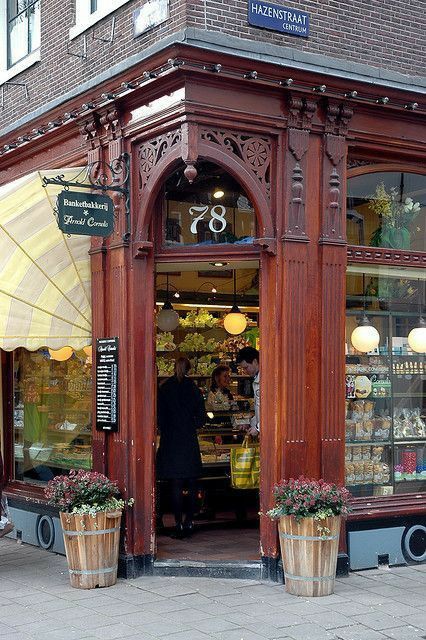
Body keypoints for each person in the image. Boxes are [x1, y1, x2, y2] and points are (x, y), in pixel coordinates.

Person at [157, 357, 206, 539]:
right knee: (192, 483)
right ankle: (189, 521)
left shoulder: (165, 388)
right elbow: (201, 418)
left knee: (175, 484)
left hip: (170, 440)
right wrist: (191, 423)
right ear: (189, 369)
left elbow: (159, 417)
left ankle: (177, 523)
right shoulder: (193, 388)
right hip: (188, 440)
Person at [236, 347, 260, 436]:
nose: (245, 371)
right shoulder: (257, 378)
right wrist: (250, 423)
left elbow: (273, 410)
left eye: (246, 367)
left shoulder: (267, 379)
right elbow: (260, 411)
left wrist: (258, 428)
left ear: (254, 362)